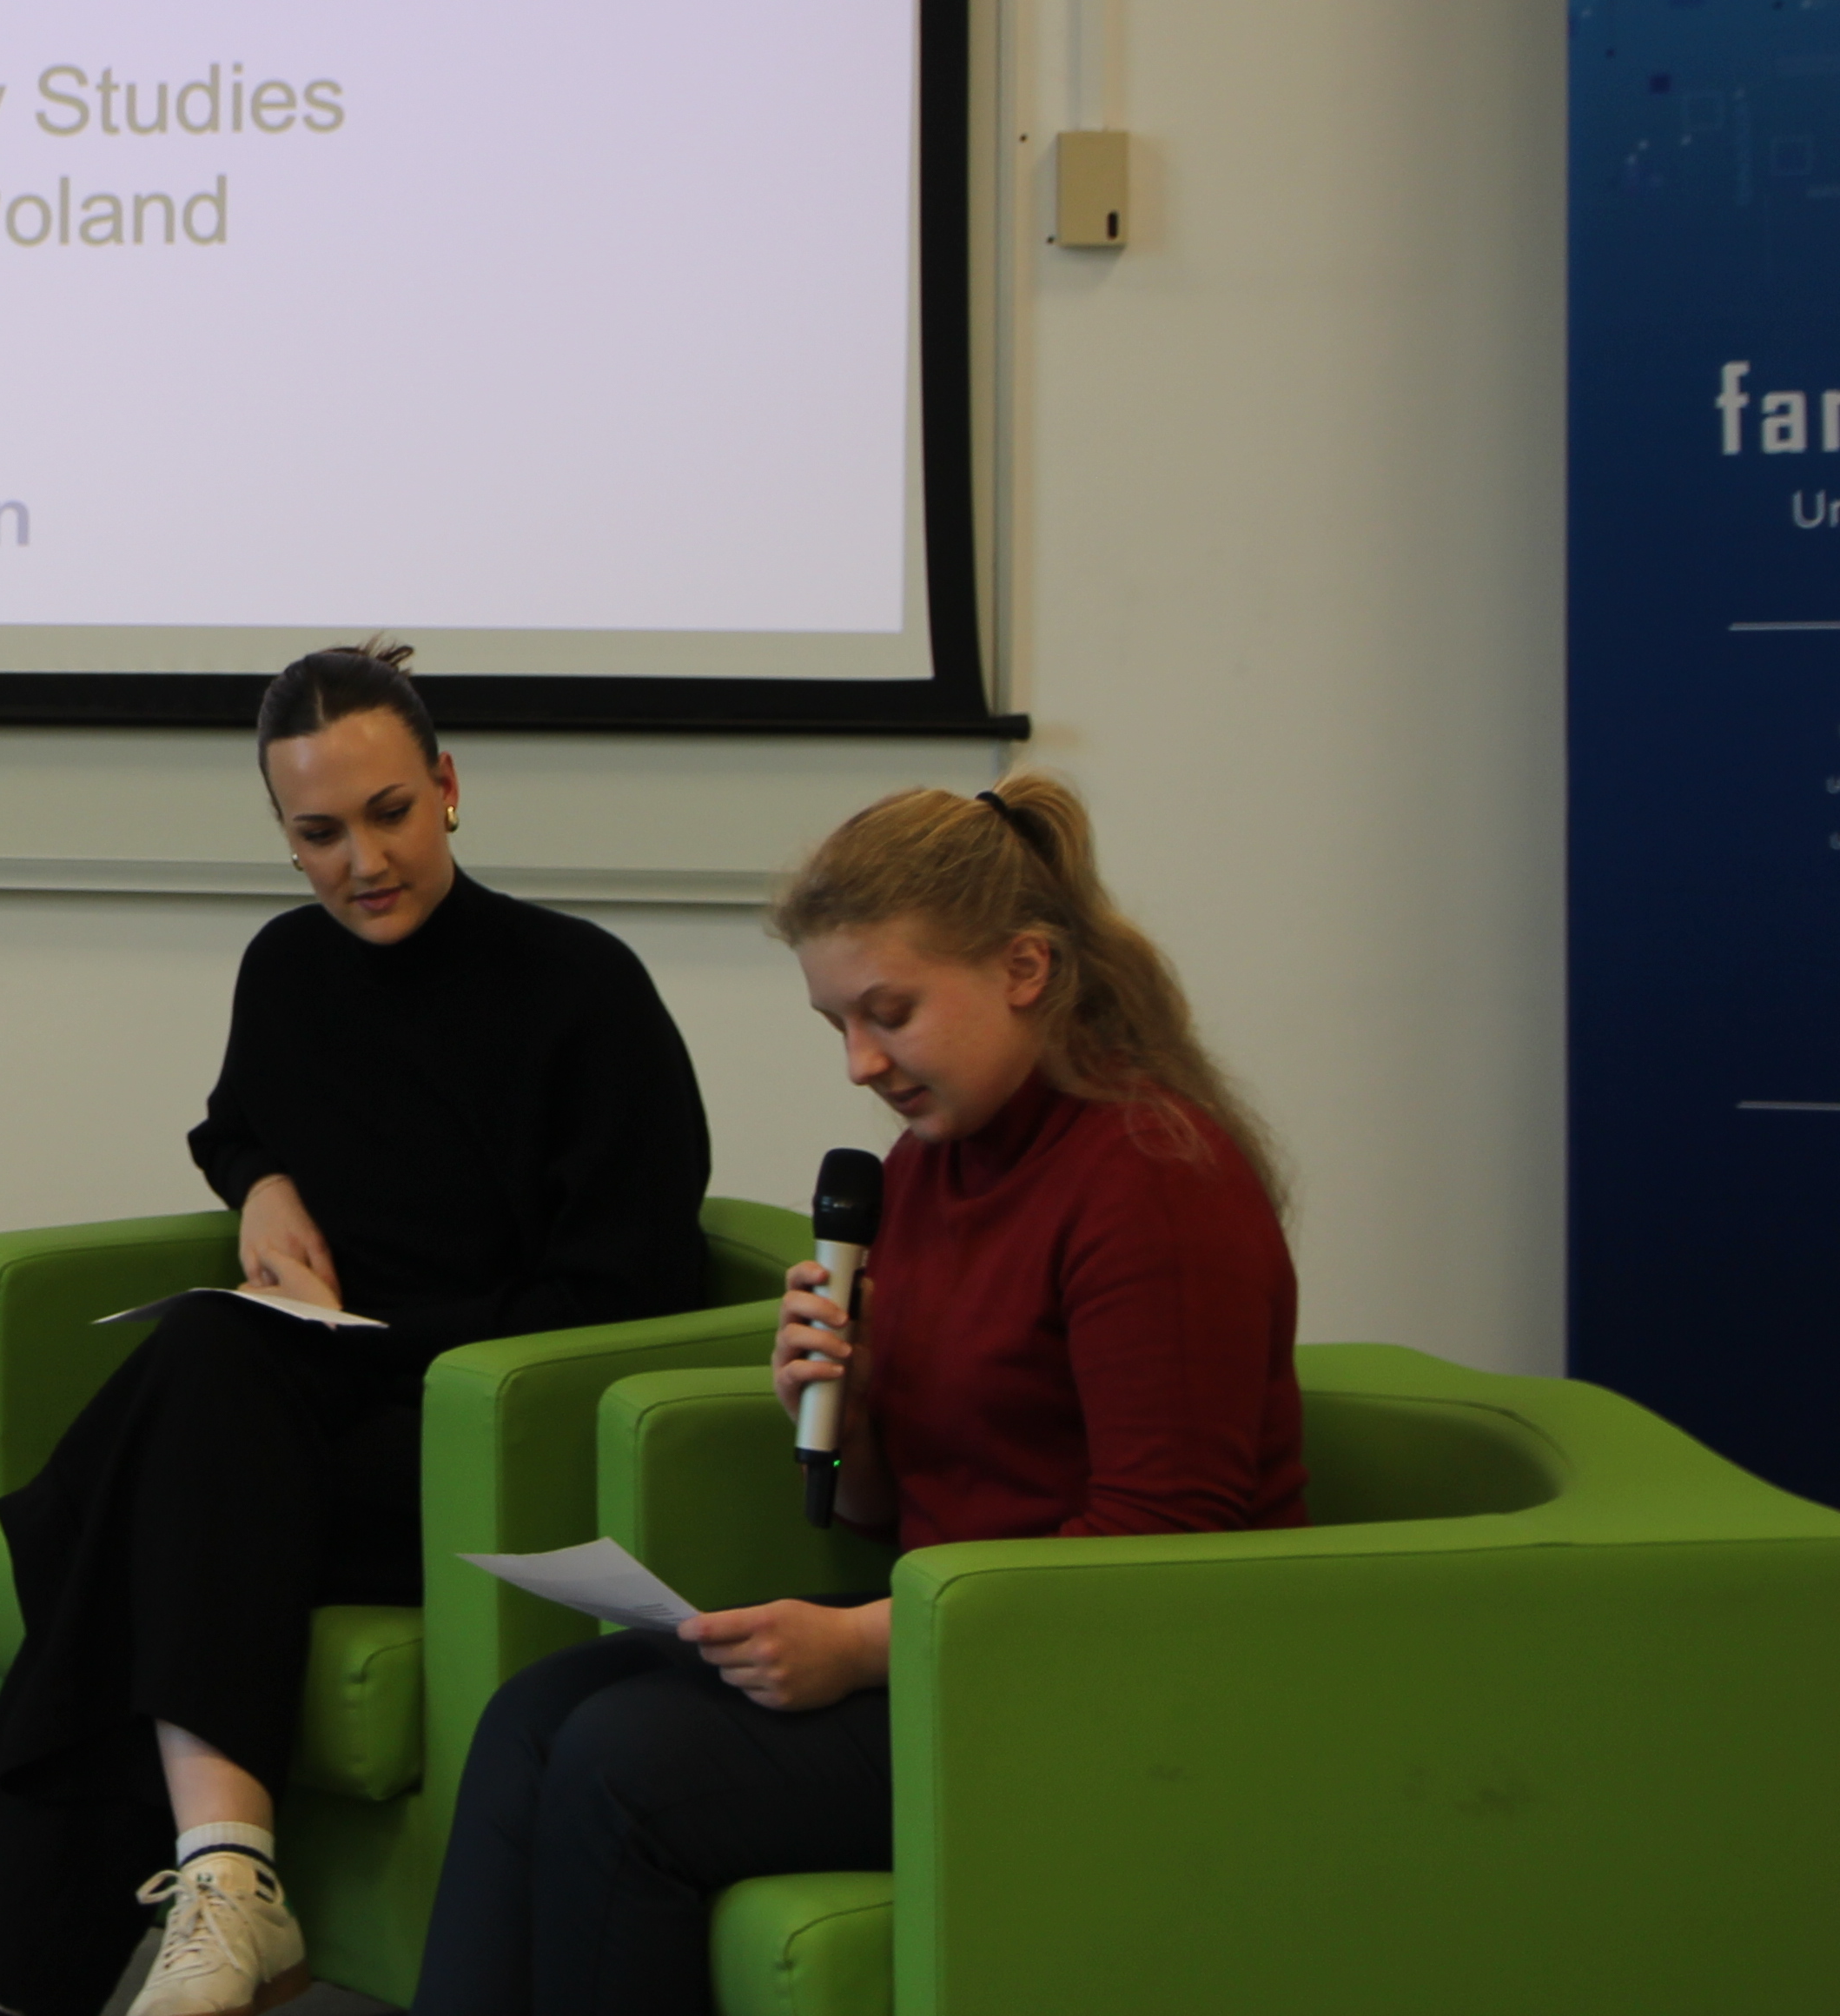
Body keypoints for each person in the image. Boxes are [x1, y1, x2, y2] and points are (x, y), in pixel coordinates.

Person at [408, 773, 1303, 2016]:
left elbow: (1159, 1556)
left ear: (1027, 968)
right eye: (839, 1023)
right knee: (536, 1714)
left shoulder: (1153, 1179)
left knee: (623, 1763)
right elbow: (906, 1511)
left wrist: (858, 1646)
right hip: (957, 1637)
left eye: (891, 1013)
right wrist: (855, 1411)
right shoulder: (932, 1167)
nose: (861, 1064)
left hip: (1099, 1686)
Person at [0, 644, 716, 2016]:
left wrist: (363, 1342)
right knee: (203, 1411)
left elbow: (618, 1302)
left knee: (156, 1468)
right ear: (284, 835)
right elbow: (236, 1122)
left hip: (490, 1444)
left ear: (449, 786)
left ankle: (12, 1977)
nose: (364, 861)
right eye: (321, 833)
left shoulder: (582, 988)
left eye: (390, 813)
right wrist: (260, 1185)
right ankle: (223, 1875)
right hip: (311, 1430)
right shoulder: (287, 968)